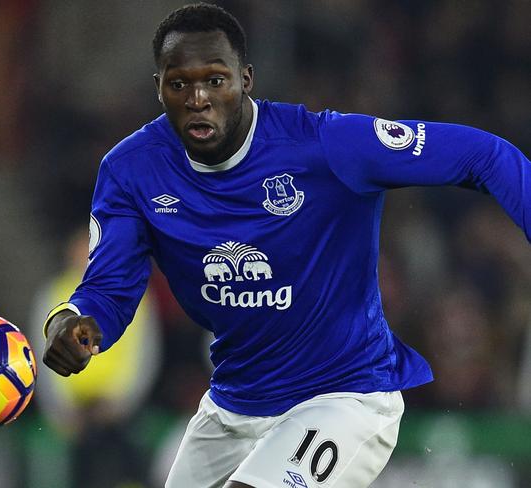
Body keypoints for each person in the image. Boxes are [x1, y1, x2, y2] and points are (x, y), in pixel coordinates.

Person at [42, 3, 530, 487]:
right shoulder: (131, 171)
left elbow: (483, 155)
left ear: (246, 79)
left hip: (345, 396)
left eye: (215, 80)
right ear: (159, 88)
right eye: (179, 83)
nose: (198, 98)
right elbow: (109, 289)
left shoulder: (325, 146)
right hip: (234, 406)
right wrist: (74, 322)